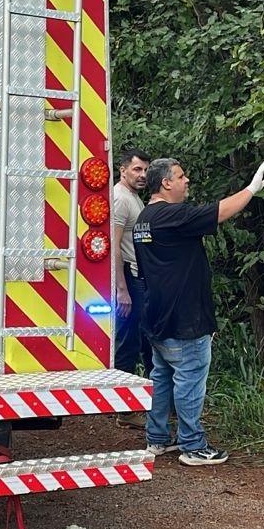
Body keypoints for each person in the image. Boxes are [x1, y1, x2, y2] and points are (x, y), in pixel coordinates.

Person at [132, 156, 264, 466]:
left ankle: (157, 439)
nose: (186, 181)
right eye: (181, 176)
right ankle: (193, 446)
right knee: (189, 380)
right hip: (184, 319)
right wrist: (250, 189)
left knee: (163, 377)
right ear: (166, 183)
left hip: (157, 316)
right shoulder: (172, 215)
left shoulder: (145, 218)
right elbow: (219, 212)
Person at [110, 148, 152, 376]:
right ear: (123, 170)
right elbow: (113, 245)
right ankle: (121, 405)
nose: (142, 174)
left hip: (138, 277)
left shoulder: (133, 197)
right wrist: (122, 290)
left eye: (146, 170)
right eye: (137, 169)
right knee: (128, 341)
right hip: (128, 278)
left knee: (141, 338)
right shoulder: (120, 198)